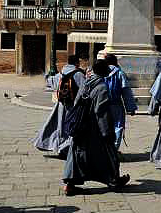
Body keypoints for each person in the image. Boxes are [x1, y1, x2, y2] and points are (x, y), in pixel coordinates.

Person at [63, 59, 130, 196]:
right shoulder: (102, 87)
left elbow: (76, 102)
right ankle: (113, 180)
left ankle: (70, 184)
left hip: (80, 125)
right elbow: (101, 112)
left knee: (76, 154)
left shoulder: (86, 83)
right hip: (94, 128)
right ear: (104, 71)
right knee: (108, 153)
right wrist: (107, 132)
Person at [33, 55, 85, 158]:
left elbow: (51, 83)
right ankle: (64, 149)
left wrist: (47, 76)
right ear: (76, 63)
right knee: (70, 127)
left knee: (59, 126)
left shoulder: (61, 73)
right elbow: (83, 91)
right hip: (72, 106)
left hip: (61, 104)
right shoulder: (78, 74)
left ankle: (55, 146)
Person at [103, 54, 138, 150]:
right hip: (116, 105)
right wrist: (131, 108)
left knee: (102, 126)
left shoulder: (100, 72)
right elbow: (126, 92)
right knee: (117, 126)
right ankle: (113, 149)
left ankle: (103, 149)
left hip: (102, 104)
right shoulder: (120, 73)